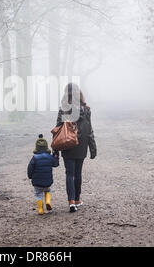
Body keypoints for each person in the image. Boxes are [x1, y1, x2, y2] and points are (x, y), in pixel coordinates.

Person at [56, 83, 97, 213]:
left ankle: (71, 201)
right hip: (82, 144)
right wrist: (92, 147)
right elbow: (89, 129)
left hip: (67, 144)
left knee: (69, 173)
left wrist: (55, 149)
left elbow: (57, 129)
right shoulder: (86, 109)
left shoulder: (63, 109)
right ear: (79, 93)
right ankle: (78, 199)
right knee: (78, 173)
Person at [27, 134, 59, 215]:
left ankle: (41, 209)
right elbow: (55, 164)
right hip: (47, 180)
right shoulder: (49, 157)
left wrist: (30, 176)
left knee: (38, 194)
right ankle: (48, 201)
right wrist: (56, 156)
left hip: (37, 181)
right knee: (47, 190)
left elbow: (30, 168)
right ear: (46, 147)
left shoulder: (34, 158)